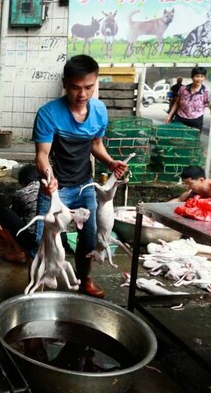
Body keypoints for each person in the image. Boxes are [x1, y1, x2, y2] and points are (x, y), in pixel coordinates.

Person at [32, 54, 127, 299]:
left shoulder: (99, 111)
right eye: (76, 87)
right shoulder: (48, 113)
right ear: (65, 83)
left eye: (89, 87)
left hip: (86, 186)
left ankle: (85, 278)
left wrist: (110, 161)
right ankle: (39, 285)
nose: (82, 94)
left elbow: (96, 143)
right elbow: (42, 155)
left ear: (96, 83)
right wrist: (48, 177)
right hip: (56, 187)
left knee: (90, 235)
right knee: (42, 239)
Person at [0, 163, 40, 263]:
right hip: (60, 239)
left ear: (23, 182)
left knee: (4, 213)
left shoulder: (22, 192)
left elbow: (15, 215)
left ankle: (18, 252)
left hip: (35, 240)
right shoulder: (51, 188)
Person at [164, 67, 211, 133]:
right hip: (180, 118)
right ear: (192, 77)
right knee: (175, 137)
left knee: (193, 140)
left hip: (196, 120)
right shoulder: (183, 89)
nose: (199, 79)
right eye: (197, 76)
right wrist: (169, 115)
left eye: (202, 76)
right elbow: (177, 103)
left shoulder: (206, 91)